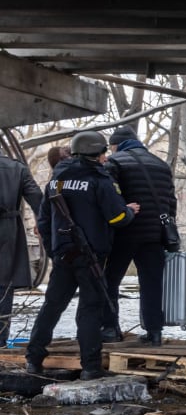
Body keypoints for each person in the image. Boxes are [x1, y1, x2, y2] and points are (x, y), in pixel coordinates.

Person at [25, 131, 139, 378]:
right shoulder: (99, 180)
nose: (105, 157)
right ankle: (90, 366)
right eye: (103, 153)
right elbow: (116, 217)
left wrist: (55, 248)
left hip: (63, 254)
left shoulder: (56, 180)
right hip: (90, 256)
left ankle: (33, 360)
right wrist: (129, 211)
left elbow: (43, 220)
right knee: (90, 309)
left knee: (52, 307)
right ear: (97, 154)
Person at [100, 125, 177, 346]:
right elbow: (171, 202)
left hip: (125, 231)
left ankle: (110, 328)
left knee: (110, 281)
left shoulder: (115, 162)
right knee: (151, 284)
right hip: (155, 234)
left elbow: (109, 196)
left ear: (115, 145)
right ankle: (154, 333)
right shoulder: (161, 164)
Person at [0, 153, 43, 348]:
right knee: (4, 285)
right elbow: (37, 198)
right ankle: (0, 339)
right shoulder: (16, 167)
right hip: (8, 229)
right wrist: (42, 224)